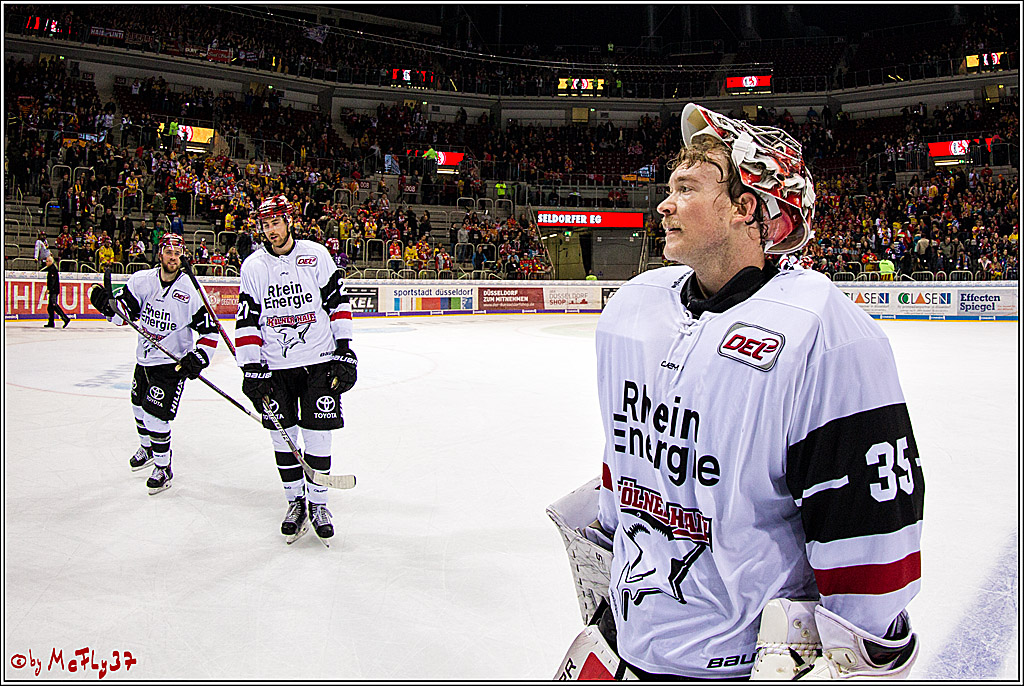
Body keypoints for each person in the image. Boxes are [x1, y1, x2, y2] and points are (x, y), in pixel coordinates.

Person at [553, 103, 923, 680]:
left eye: (687, 188)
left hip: (749, 664)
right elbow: (623, 467)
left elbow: (869, 527)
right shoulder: (632, 309)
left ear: (745, 209)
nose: (664, 204)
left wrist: (858, 647)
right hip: (635, 644)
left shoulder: (822, 330)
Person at [235, 195, 357, 544]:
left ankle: (319, 503)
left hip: (319, 360)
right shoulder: (253, 267)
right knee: (282, 436)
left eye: (275, 223)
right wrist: (251, 367)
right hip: (275, 366)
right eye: (265, 225)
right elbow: (247, 320)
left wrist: (345, 350)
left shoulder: (316, 254)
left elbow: (337, 303)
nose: (270, 231)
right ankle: (295, 501)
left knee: (318, 435)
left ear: (289, 221)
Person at [88, 234, 220, 494]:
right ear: (160, 254)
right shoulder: (141, 280)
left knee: (155, 416)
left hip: (173, 364)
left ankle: (163, 466)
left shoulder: (191, 289)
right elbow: (125, 314)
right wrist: (108, 308)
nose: (173, 257)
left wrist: (200, 357)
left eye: (178, 252)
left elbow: (210, 331)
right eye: (169, 251)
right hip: (145, 358)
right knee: (138, 405)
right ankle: (147, 448)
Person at [41, 255, 71, 328]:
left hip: (53, 290)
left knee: (54, 305)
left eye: (47, 261)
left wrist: (49, 289)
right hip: (53, 290)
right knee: (50, 307)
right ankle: (51, 322)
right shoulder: (51, 269)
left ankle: (65, 318)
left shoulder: (52, 269)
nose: (46, 263)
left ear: (51, 261)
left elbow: (52, 281)